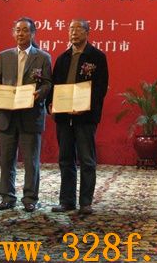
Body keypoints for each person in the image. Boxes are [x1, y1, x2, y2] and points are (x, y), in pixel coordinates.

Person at [0, 17, 52, 212]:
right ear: (13, 33)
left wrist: (39, 93)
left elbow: (48, 83)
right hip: (8, 115)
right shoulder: (4, 56)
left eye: (25, 30)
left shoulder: (42, 57)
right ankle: (7, 197)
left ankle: (30, 198)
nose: (21, 34)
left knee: (31, 161)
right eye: (18, 30)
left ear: (32, 34)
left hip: (31, 115)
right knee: (6, 159)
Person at [48, 19, 108, 215]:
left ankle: (85, 202)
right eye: (70, 29)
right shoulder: (62, 58)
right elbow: (54, 85)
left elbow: (100, 88)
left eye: (78, 29)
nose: (73, 32)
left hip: (85, 118)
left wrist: (86, 106)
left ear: (87, 32)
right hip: (64, 116)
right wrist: (51, 103)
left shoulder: (97, 57)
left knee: (87, 160)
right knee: (65, 159)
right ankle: (67, 201)